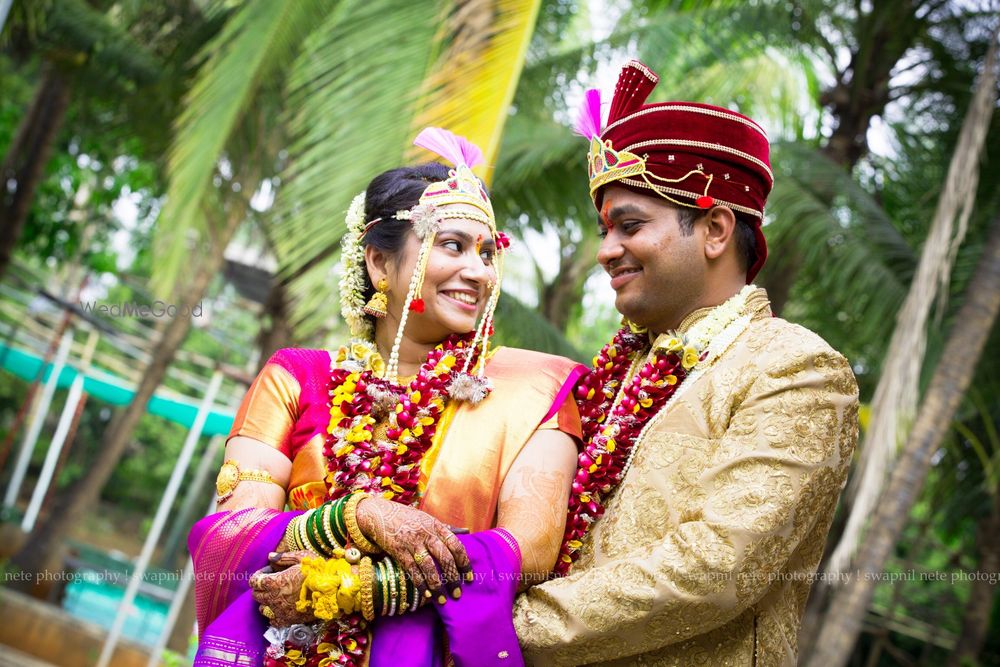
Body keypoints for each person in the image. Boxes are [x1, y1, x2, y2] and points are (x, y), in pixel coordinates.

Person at [189, 128, 586, 667]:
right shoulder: (296, 378)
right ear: (380, 263)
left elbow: (530, 552)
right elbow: (231, 537)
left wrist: (364, 585)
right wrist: (357, 516)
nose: (479, 271)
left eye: (487, 252)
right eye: (453, 245)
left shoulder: (533, 389)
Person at [512, 60, 860, 665]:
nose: (605, 251)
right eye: (603, 229)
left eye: (629, 225)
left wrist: (495, 626)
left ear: (716, 229)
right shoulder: (611, 377)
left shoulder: (796, 368)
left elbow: (716, 569)